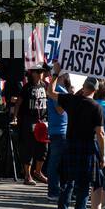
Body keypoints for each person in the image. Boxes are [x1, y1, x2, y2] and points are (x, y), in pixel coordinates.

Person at [47, 70, 105, 209]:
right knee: (84, 185)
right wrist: (103, 155)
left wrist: (55, 74)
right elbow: (100, 133)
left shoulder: (71, 100)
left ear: (84, 87)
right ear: (95, 90)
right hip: (87, 148)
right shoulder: (97, 107)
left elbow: (50, 92)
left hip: (70, 145)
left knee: (67, 183)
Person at [16, 65, 50, 185]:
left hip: (43, 121)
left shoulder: (45, 85)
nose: (41, 73)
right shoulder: (27, 87)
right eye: (39, 72)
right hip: (29, 120)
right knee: (28, 148)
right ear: (33, 73)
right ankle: (27, 175)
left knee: (44, 148)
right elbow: (19, 103)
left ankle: (38, 172)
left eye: (42, 71)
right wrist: (15, 116)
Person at [44, 72, 69, 200]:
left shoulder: (60, 90)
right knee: (55, 163)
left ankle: (55, 190)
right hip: (60, 132)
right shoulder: (59, 90)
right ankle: (53, 192)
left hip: (58, 131)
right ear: (64, 77)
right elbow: (60, 110)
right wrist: (70, 101)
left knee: (57, 163)